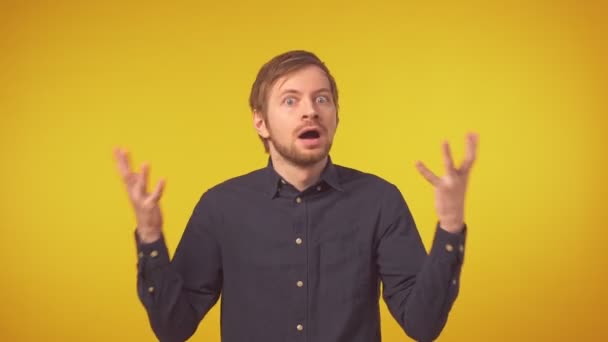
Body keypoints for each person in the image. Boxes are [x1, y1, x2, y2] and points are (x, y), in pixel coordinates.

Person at [114, 50, 478, 342]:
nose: (310, 110)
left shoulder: (380, 200)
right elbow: (173, 328)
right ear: (260, 122)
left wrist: (449, 226)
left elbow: (422, 326)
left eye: (322, 99)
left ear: (335, 115)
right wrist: (149, 237)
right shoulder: (220, 207)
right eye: (290, 101)